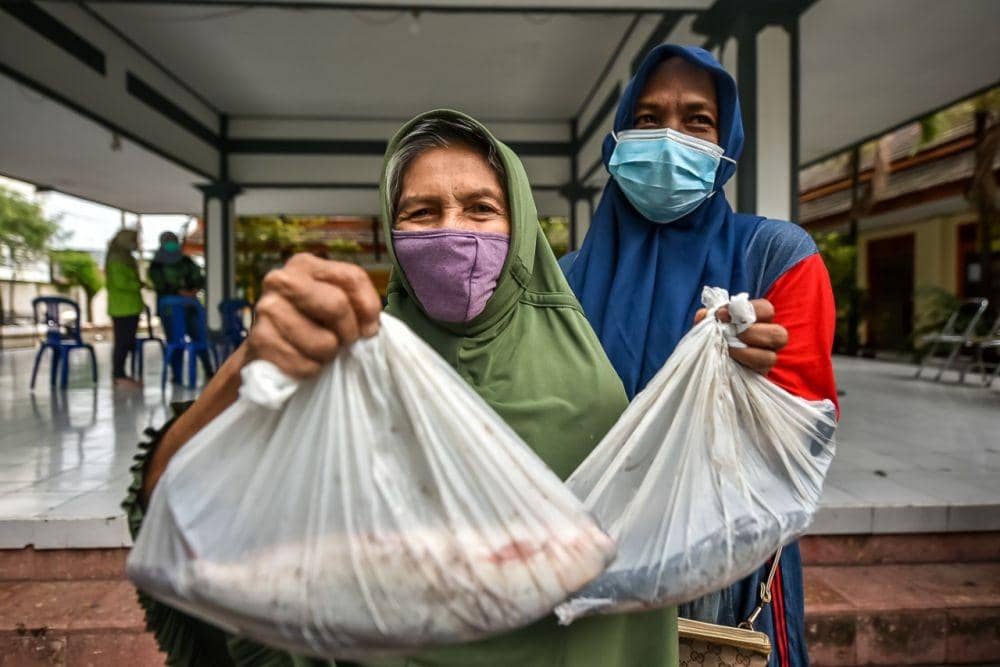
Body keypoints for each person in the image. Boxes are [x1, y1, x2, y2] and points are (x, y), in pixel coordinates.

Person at [123, 110, 679, 667]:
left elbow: (636, 590)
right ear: (393, 233)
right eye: (422, 212)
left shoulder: (590, 387)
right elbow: (180, 504)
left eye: (481, 208)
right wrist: (249, 363)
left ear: (523, 227)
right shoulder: (346, 372)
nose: (452, 230)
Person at [560, 45, 838, 667]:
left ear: (726, 144)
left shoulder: (777, 258)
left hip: (723, 580)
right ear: (618, 139)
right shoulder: (565, 281)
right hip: (591, 572)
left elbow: (805, 438)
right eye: (648, 117)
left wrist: (748, 386)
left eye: (697, 121)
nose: (668, 138)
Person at [148, 231, 213, 382]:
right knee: (175, 341)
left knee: (199, 337)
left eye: (173, 241)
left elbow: (198, 278)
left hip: (191, 307)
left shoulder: (186, 261)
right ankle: (176, 375)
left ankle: (209, 370)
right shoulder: (156, 264)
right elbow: (159, 284)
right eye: (168, 242)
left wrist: (193, 290)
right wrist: (179, 291)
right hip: (169, 309)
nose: (171, 244)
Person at [104, 228, 144, 389]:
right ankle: (118, 376)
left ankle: (122, 375)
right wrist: (138, 284)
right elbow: (121, 283)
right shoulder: (116, 258)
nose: (136, 243)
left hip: (130, 307)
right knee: (122, 342)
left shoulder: (126, 257)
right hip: (122, 308)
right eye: (133, 239)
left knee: (127, 342)